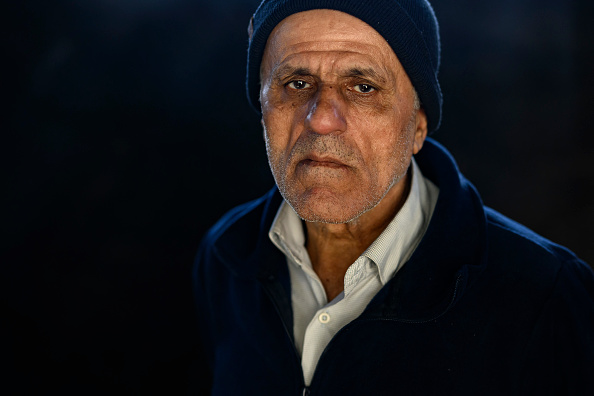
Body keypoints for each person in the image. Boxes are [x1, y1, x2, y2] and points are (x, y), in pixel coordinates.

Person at [193, 0, 594, 394]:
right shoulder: (227, 256)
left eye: (363, 87)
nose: (321, 119)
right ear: (262, 108)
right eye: (296, 84)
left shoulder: (544, 293)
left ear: (418, 126)